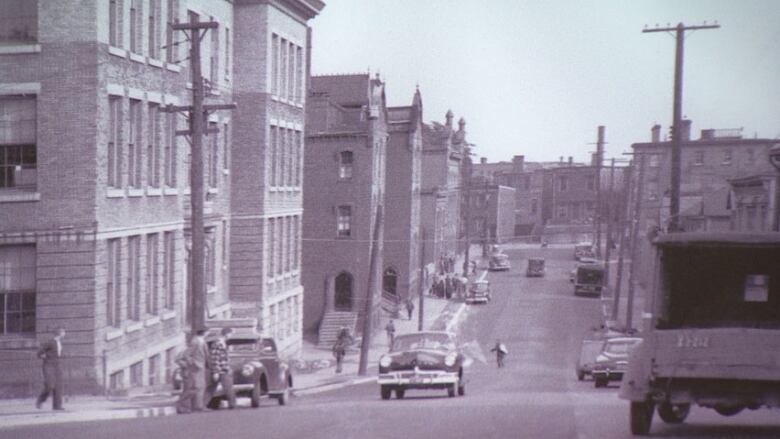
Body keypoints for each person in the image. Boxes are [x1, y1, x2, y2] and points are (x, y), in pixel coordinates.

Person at [205, 327, 236, 409]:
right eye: (230, 334)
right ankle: (232, 404)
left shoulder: (223, 343)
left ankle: (203, 404)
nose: (231, 336)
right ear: (226, 334)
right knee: (227, 387)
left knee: (212, 388)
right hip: (220, 370)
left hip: (224, 368)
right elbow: (215, 357)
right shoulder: (218, 343)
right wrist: (216, 371)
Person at [36, 327, 66, 410]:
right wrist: (42, 356)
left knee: (58, 386)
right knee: (50, 385)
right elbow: (39, 352)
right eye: (64, 332)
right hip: (48, 366)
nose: (65, 334)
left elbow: (58, 354)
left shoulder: (59, 343)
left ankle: (57, 406)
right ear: (59, 333)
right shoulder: (50, 342)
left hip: (57, 366)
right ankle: (40, 400)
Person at [188, 329, 209, 411]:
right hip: (197, 365)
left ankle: (199, 405)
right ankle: (198, 406)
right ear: (204, 332)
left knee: (201, 386)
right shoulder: (196, 341)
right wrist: (193, 363)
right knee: (198, 386)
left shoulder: (201, 341)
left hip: (201, 364)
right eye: (208, 332)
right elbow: (189, 353)